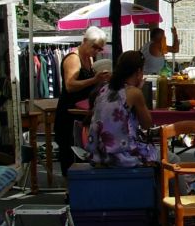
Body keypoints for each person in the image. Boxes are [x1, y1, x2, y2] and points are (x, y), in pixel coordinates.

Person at [54, 26, 112, 176]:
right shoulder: (74, 58)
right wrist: (94, 79)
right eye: (94, 47)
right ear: (85, 41)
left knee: (82, 152)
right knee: (70, 152)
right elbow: (70, 85)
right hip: (69, 113)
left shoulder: (89, 58)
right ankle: (70, 189)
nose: (96, 51)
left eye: (99, 49)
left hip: (81, 112)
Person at [85, 50, 159, 168]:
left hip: (100, 154)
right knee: (170, 158)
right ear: (139, 71)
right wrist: (139, 90)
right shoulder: (134, 93)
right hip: (123, 155)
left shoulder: (104, 89)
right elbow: (147, 124)